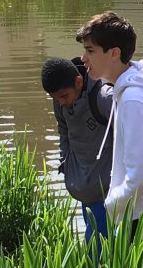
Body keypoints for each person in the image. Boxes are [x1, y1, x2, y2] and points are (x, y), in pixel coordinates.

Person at [75, 11, 143, 251]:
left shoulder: (133, 98)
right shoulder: (134, 87)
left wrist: (112, 204)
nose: (83, 58)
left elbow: (142, 173)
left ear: (114, 53)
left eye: (91, 51)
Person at [41, 56, 113, 244]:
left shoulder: (104, 98)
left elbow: (129, 136)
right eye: (55, 98)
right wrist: (65, 161)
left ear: (79, 82)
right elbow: (63, 130)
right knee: (94, 239)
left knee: (98, 250)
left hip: (107, 190)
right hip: (83, 183)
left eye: (63, 96)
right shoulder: (60, 100)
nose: (61, 102)